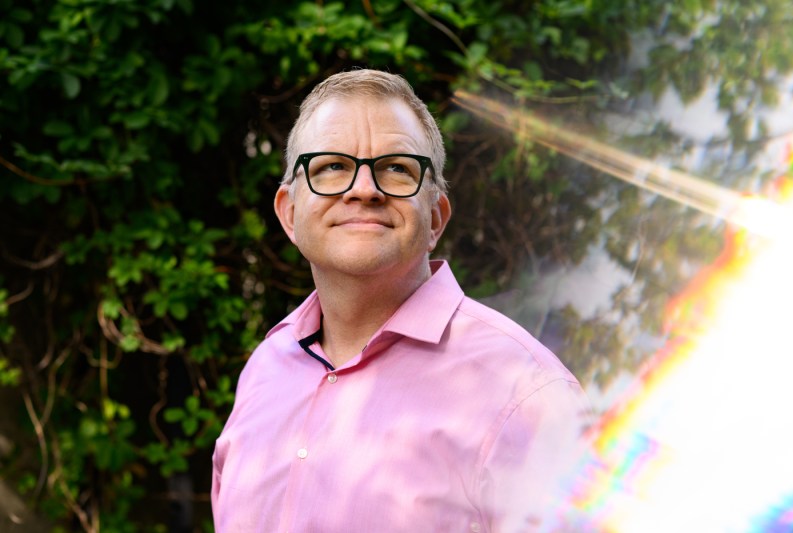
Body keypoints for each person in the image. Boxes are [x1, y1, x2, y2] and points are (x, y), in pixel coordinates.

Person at [211, 69, 591, 532]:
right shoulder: (265, 372)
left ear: (435, 217)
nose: (364, 189)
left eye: (397, 168)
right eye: (332, 166)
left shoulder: (526, 396)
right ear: (290, 213)